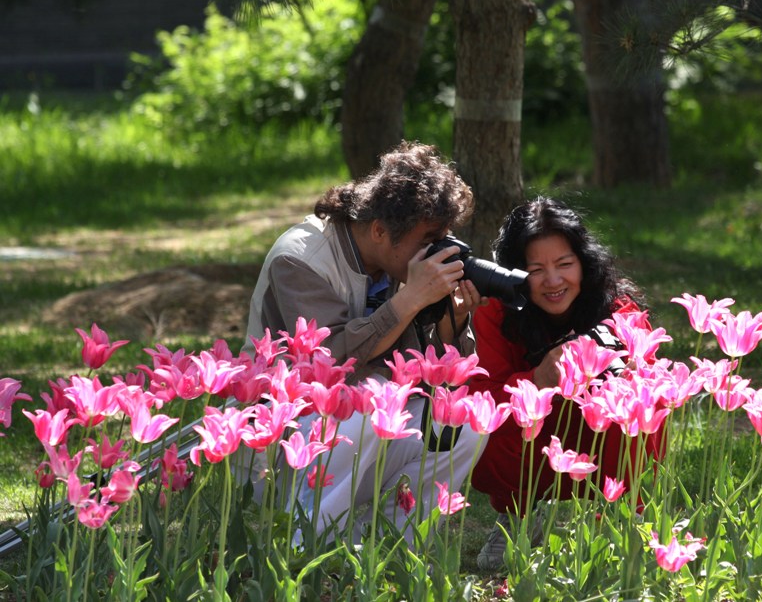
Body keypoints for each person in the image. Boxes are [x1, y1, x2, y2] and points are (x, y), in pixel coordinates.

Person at [243, 140, 486, 542]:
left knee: (463, 426)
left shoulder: (399, 264)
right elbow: (331, 365)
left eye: (443, 237)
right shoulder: (300, 259)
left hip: (360, 428)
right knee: (373, 407)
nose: (437, 251)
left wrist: (453, 324)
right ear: (379, 230)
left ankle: (390, 548)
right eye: (428, 239)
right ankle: (310, 544)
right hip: (284, 437)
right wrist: (408, 301)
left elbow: (434, 379)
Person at [467, 196, 662, 571]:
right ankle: (519, 514)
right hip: (532, 445)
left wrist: (605, 371)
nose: (553, 281)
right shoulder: (495, 313)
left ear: (584, 264)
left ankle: (621, 513)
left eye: (564, 264)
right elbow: (484, 400)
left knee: (632, 406)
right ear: (514, 273)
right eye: (536, 269)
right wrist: (538, 379)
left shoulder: (618, 311)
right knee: (478, 423)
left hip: (599, 442)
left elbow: (653, 387)